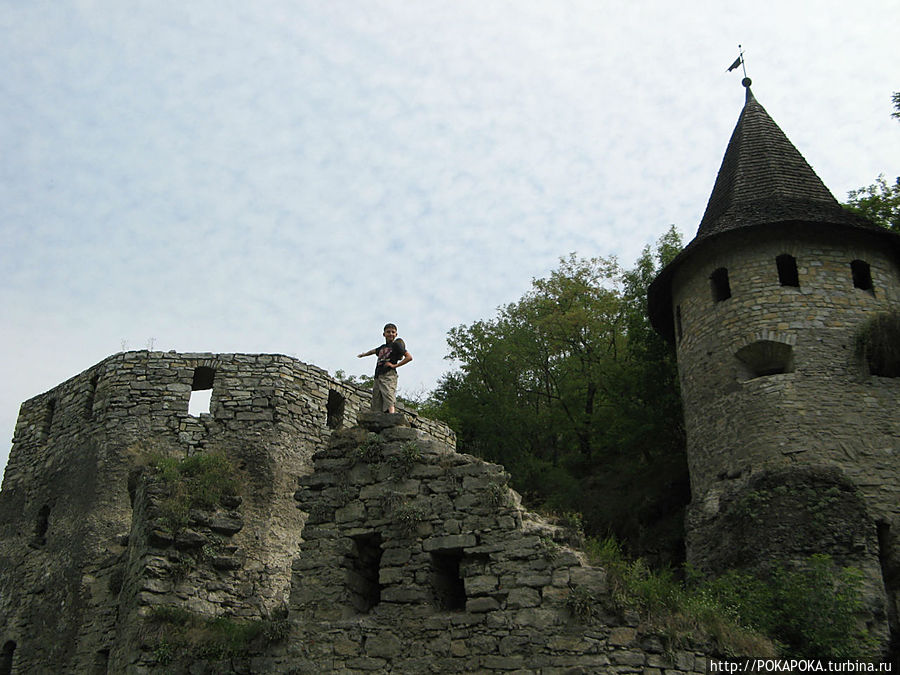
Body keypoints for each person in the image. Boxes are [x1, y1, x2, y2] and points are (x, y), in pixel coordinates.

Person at [357, 323, 413, 413]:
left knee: (388, 394)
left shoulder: (396, 345)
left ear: (396, 334)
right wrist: (364, 354)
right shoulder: (382, 347)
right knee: (376, 398)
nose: (390, 334)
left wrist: (394, 365)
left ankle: (392, 415)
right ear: (384, 334)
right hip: (378, 375)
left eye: (393, 332)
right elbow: (373, 351)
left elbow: (409, 357)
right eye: (388, 332)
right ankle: (377, 418)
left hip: (389, 374)